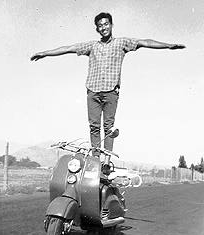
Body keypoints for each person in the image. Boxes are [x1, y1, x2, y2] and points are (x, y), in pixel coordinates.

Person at [31, 12, 185, 157]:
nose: (103, 27)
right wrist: (44, 53)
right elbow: (68, 48)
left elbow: (144, 42)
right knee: (94, 127)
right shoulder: (92, 46)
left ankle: (106, 160)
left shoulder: (121, 43)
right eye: (100, 25)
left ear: (111, 25)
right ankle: (96, 159)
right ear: (97, 29)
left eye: (106, 24)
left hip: (111, 91)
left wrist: (168, 45)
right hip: (93, 90)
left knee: (109, 127)